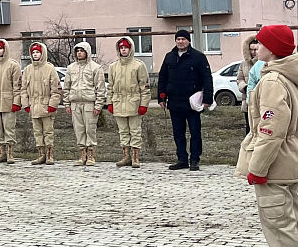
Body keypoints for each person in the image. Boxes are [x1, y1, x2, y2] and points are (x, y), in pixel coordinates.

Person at [237, 25, 298, 247]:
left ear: (272, 48)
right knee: (291, 220)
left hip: (275, 161)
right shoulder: (286, 75)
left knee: (280, 224)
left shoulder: (272, 80)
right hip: (289, 157)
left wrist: (257, 167)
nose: (256, 47)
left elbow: (271, 129)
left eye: (261, 43)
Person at [157, 28, 214, 170]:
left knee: (195, 132)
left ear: (189, 41)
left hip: (192, 103)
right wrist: (161, 97)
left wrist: (207, 99)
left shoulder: (198, 57)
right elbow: (163, 78)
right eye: (178, 39)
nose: (180, 42)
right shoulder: (169, 57)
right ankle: (182, 159)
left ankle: (194, 160)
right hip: (174, 102)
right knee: (178, 133)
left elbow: (207, 78)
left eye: (183, 39)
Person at [62, 41, 107, 166]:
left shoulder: (96, 68)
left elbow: (100, 88)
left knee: (90, 129)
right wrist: (67, 103)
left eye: (82, 51)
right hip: (75, 103)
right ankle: (82, 154)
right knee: (79, 130)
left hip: (89, 104)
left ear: (87, 52)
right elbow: (67, 87)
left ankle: (91, 154)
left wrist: (98, 105)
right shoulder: (71, 68)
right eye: (77, 51)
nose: (79, 53)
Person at [107, 36, 149, 167]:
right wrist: (109, 102)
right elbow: (110, 86)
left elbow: (144, 87)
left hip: (134, 103)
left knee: (135, 131)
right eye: (121, 48)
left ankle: (136, 157)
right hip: (118, 102)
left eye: (126, 47)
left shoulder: (138, 65)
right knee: (123, 131)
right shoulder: (113, 66)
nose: (123, 50)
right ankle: (126, 156)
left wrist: (144, 104)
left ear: (131, 49)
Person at [20, 42, 62, 165]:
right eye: (33, 52)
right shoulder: (28, 69)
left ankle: (49, 155)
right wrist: (26, 104)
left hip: (46, 106)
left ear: (42, 53)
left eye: (37, 52)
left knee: (48, 132)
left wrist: (53, 105)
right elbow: (23, 89)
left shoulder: (50, 69)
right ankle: (41, 154)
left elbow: (56, 90)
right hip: (33, 106)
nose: (35, 54)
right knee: (37, 132)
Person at [236, 35, 260, 134]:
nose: (253, 52)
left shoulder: (263, 63)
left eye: (256, 49)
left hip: (261, 98)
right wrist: (245, 87)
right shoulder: (244, 64)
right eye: (251, 49)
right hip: (248, 100)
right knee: (249, 126)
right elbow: (239, 79)